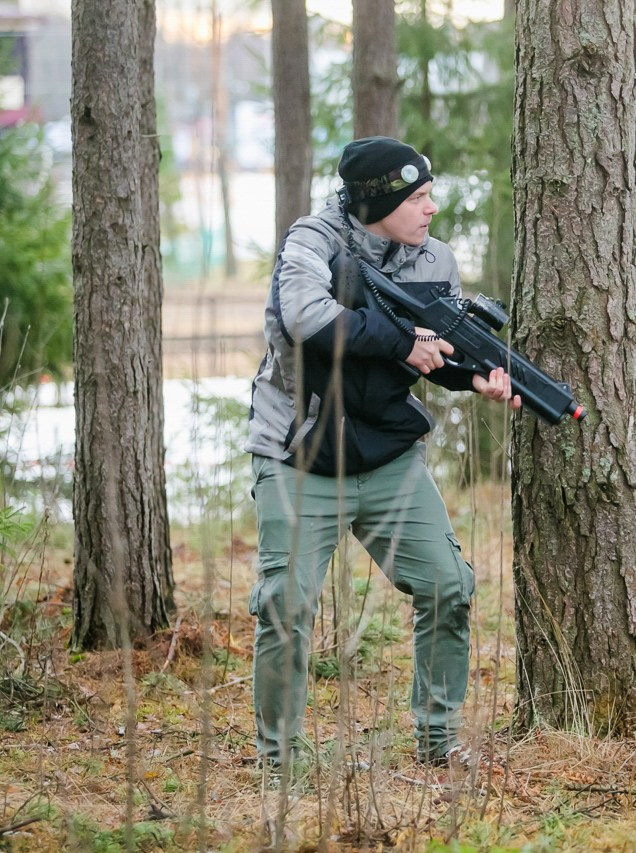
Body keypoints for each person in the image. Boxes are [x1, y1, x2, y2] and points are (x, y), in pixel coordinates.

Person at [245, 136, 519, 774]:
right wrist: (403, 344)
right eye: (418, 197)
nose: (431, 209)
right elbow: (307, 319)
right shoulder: (310, 243)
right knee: (286, 603)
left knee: (449, 585)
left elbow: (437, 349)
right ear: (381, 199)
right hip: (299, 454)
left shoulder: (436, 258)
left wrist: (474, 376)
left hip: (388, 457)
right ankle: (279, 761)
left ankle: (437, 739)